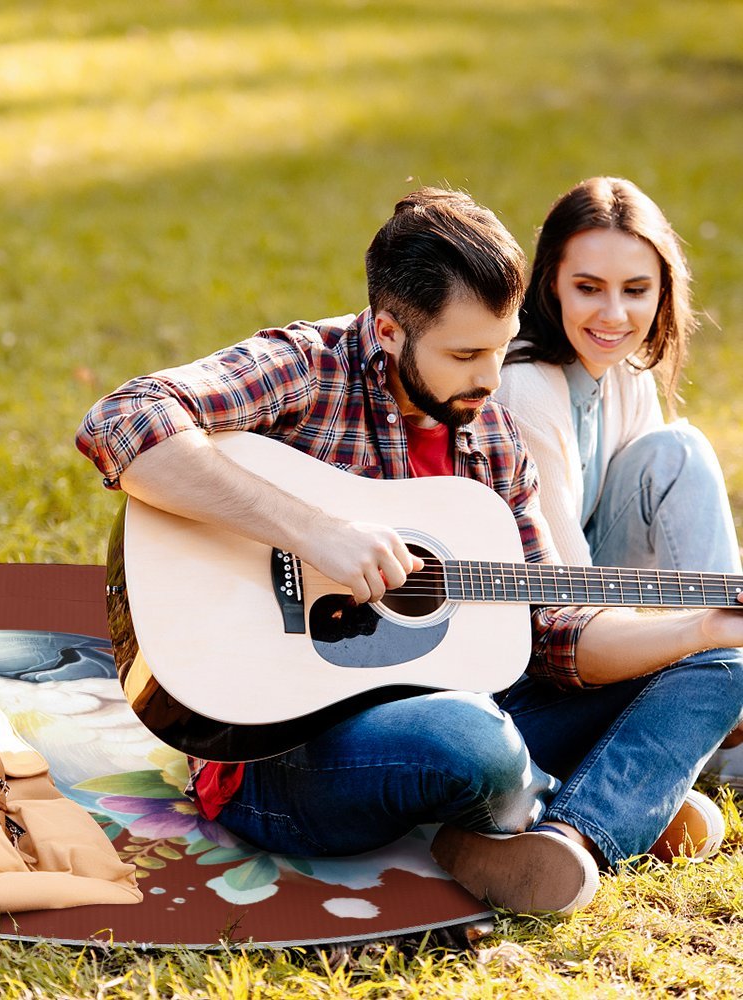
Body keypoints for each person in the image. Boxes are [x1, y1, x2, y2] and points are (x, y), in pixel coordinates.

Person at [76, 187, 743, 916]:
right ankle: (600, 796)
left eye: (500, 346)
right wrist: (312, 531)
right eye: (465, 354)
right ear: (389, 330)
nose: (491, 380)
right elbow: (123, 419)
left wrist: (700, 628)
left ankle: (572, 836)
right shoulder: (307, 367)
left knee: (723, 664)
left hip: (469, 709)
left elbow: (552, 629)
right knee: (472, 741)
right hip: (280, 755)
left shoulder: (491, 436)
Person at [496, 176, 743, 789]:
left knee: (674, 451)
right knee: (680, 451)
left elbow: (664, 543)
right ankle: (717, 712)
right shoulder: (526, 386)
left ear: (663, 291)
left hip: (606, 613)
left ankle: (721, 696)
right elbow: (567, 603)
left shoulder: (625, 370)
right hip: (540, 649)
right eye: (588, 288)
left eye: (636, 290)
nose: (614, 315)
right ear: (550, 281)